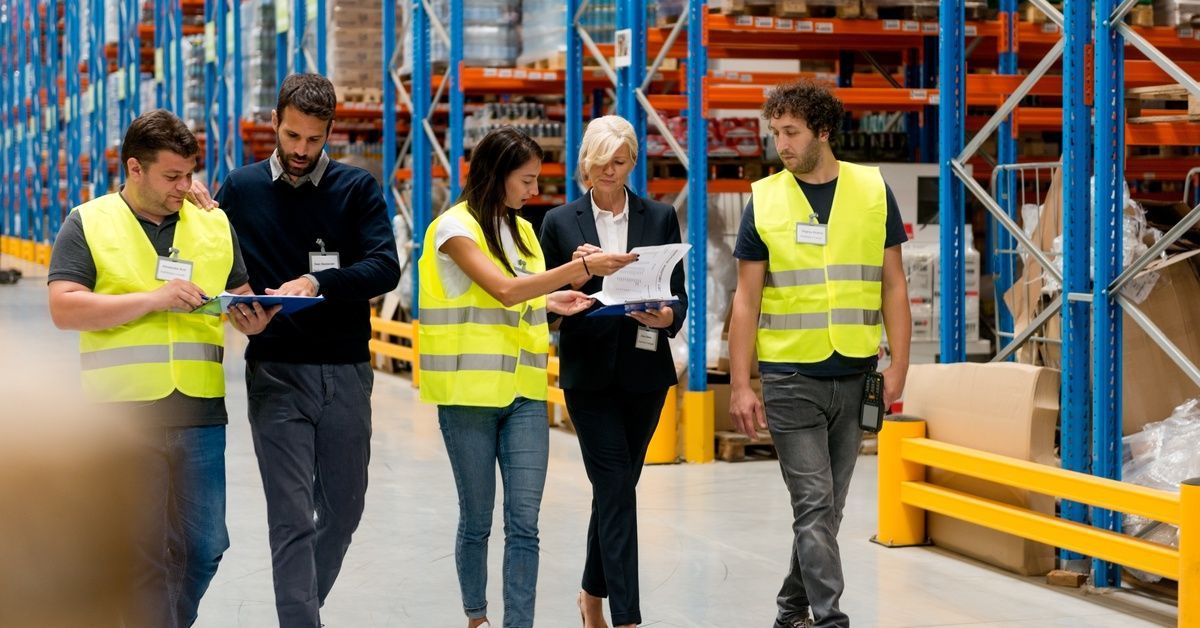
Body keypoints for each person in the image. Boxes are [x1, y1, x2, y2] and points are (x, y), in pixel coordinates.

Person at [47, 109, 277, 627]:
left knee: (206, 547)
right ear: (135, 168)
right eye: (172, 176)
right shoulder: (89, 222)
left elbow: (238, 296)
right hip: (122, 415)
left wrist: (254, 318)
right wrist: (154, 299)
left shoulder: (213, 223)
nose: (185, 186)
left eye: (190, 174)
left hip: (200, 413)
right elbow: (64, 308)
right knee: (143, 555)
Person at [192, 73, 402, 627]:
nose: (302, 150)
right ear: (274, 124)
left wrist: (317, 283)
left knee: (343, 510)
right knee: (290, 518)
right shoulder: (241, 189)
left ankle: (304, 606)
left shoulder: (356, 189)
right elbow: (212, 256)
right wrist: (236, 304)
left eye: (313, 138)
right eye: (291, 136)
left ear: (330, 130)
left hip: (346, 372)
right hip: (277, 371)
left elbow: (385, 266)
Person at [418, 126, 636, 628]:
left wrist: (555, 300)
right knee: (478, 520)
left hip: (524, 394)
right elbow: (504, 290)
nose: (534, 191)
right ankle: (477, 618)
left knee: (524, 524)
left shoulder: (522, 232)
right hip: (469, 396)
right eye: (527, 180)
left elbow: (525, 298)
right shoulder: (453, 229)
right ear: (497, 175)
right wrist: (576, 270)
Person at [727, 80, 912, 628]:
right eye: (775, 133)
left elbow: (894, 284)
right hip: (790, 377)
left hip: (856, 373)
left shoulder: (873, 189)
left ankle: (790, 610)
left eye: (791, 132)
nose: (781, 144)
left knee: (827, 510)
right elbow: (745, 300)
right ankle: (830, 620)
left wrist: (899, 366)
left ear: (823, 131)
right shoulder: (764, 199)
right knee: (812, 504)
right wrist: (741, 384)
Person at [539, 115, 687, 628]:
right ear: (586, 162)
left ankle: (589, 595)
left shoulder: (660, 216)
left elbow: (677, 295)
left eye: (620, 161)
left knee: (616, 490)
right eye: (601, 161)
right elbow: (546, 303)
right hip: (589, 376)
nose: (610, 170)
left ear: (632, 163)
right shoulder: (559, 222)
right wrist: (578, 278)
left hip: (645, 371)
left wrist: (666, 317)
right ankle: (625, 617)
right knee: (616, 488)